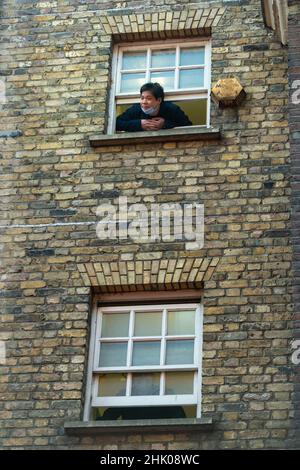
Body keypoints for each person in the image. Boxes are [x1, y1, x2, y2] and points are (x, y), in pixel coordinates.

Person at [116, 82, 192, 132]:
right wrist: (139, 124)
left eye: (149, 98)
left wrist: (164, 124)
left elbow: (188, 127)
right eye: (142, 98)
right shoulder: (136, 109)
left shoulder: (172, 109)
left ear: (158, 100)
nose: (144, 102)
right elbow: (117, 124)